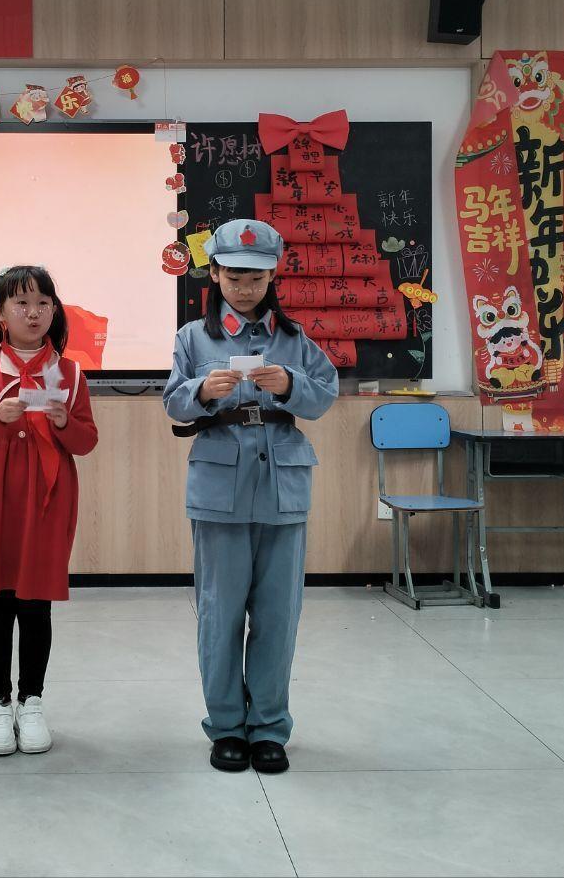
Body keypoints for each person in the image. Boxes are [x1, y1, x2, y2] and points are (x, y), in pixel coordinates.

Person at [163, 220, 338, 774]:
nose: (245, 288)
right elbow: (172, 403)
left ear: (272, 276)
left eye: (257, 279)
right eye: (234, 277)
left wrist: (289, 385)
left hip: (283, 486)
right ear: (214, 274)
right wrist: (200, 390)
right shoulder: (194, 337)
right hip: (219, 487)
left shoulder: (294, 338)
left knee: (278, 614)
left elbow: (324, 396)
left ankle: (268, 727)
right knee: (219, 613)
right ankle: (225, 727)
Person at [0, 265, 98, 756]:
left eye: (43, 304)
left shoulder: (70, 374)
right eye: (22, 304)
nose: (33, 313)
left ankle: (32, 703)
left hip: (47, 502)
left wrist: (64, 422)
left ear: (55, 311)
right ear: (0, 312)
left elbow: (86, 442)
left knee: (36, 604)